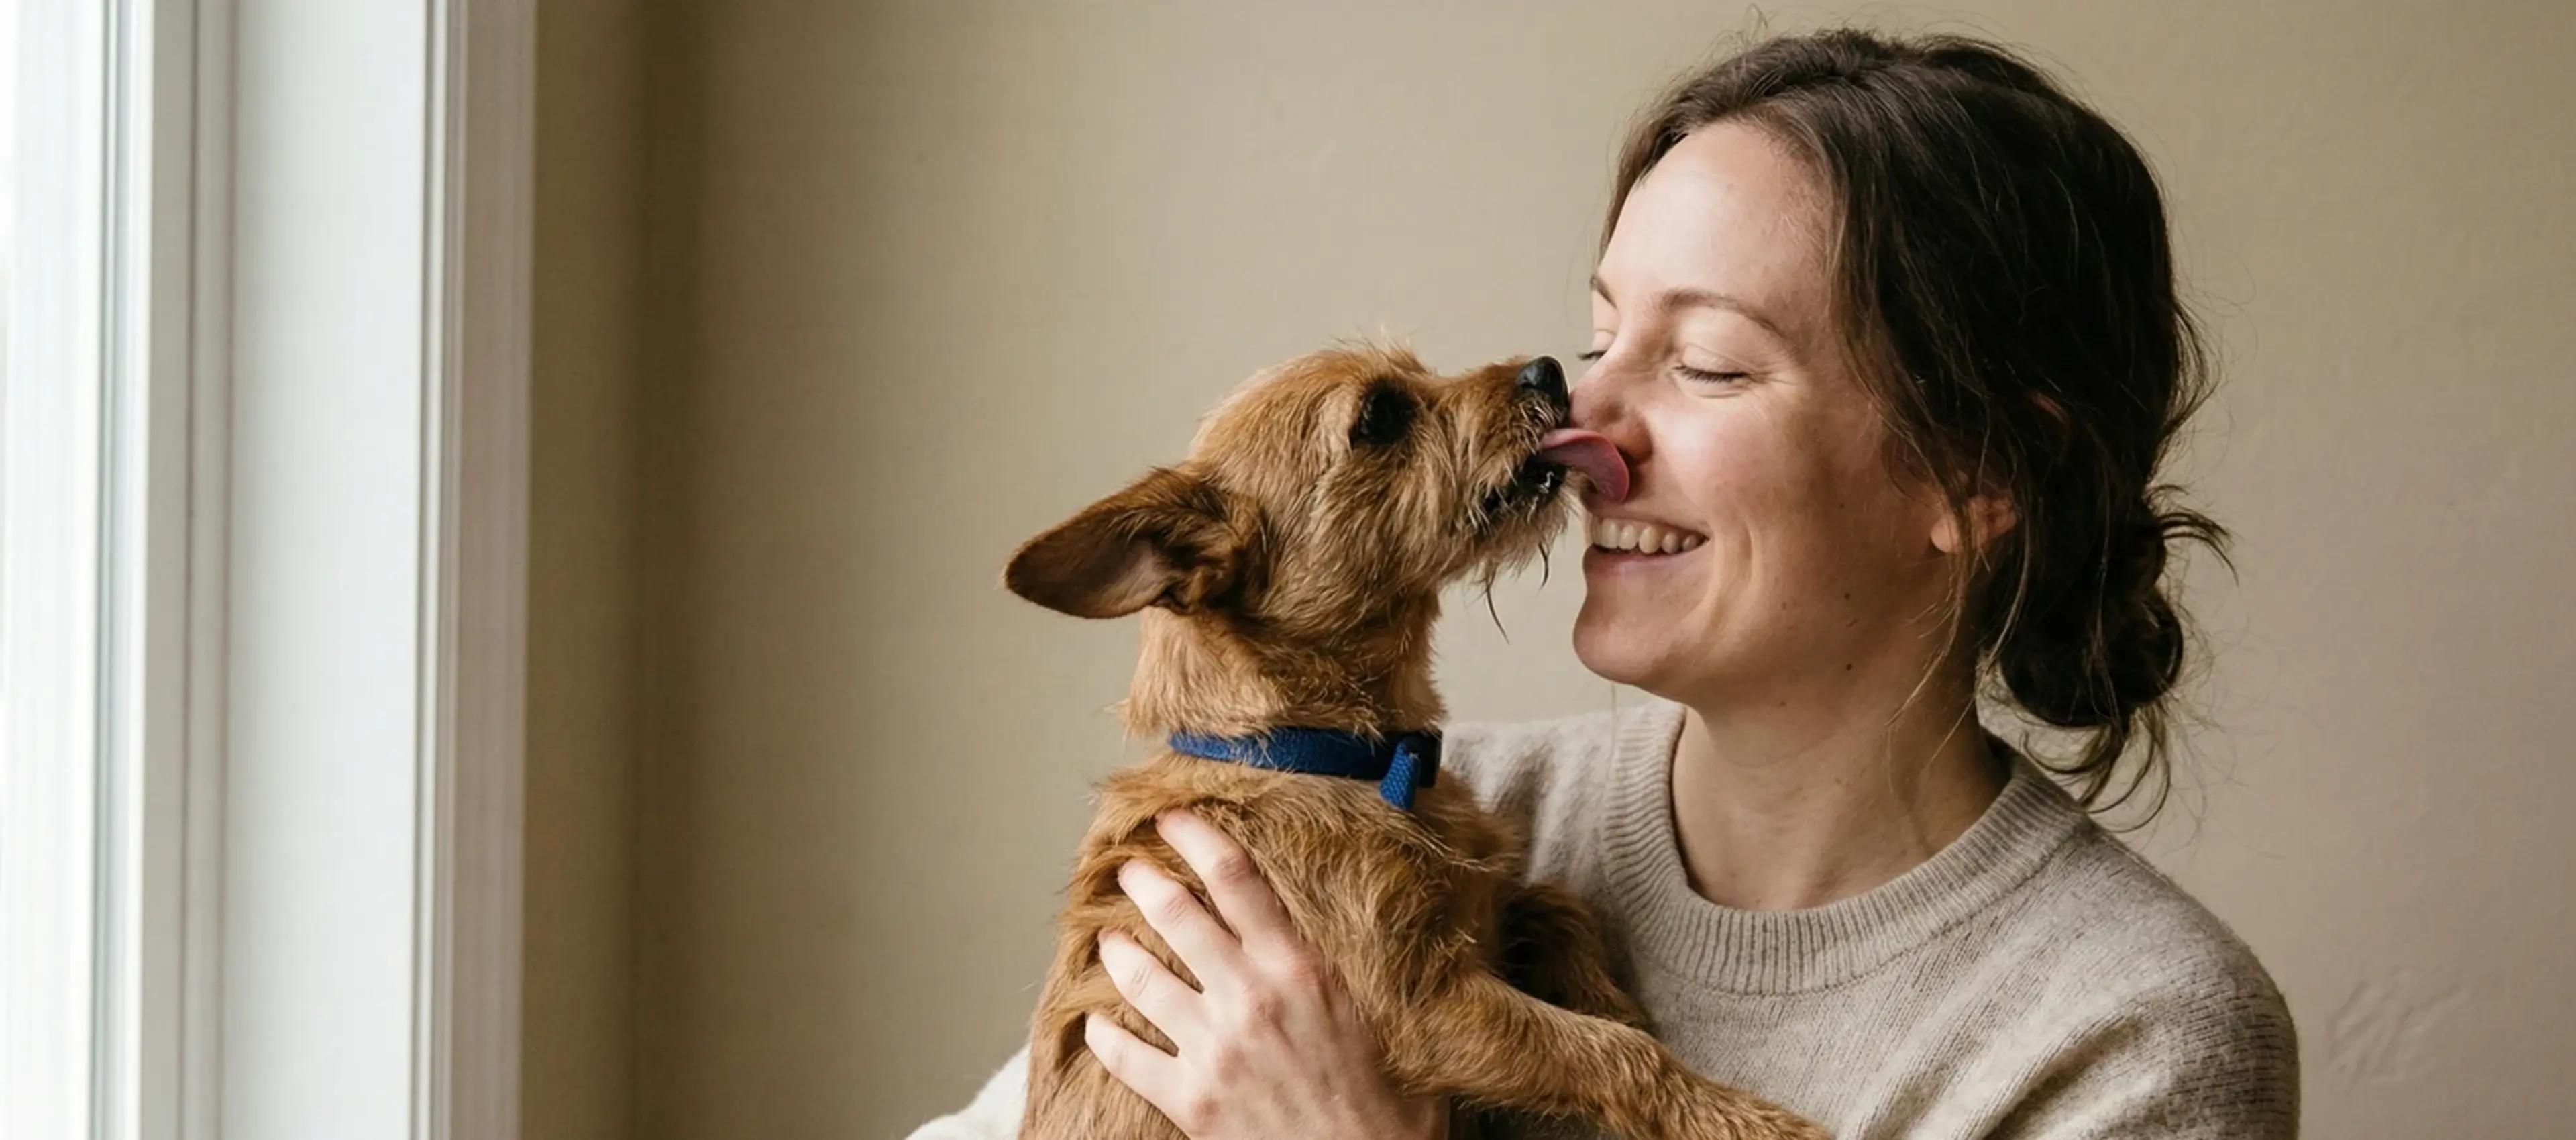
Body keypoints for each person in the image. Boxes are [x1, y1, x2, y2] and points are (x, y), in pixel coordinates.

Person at [914, 28, 2298, 1140]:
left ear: (1974, 475)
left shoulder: (2129, 1034)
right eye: (1602, 335)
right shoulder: (1452, 814)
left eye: (1707, 363)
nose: (1584, 418)